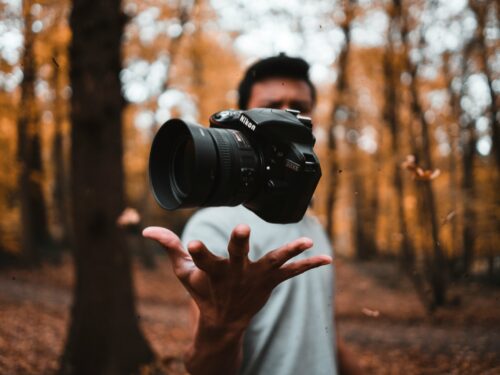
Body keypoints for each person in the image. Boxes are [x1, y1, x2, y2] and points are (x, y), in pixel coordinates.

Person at [143, 54, 359, 375]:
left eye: (299, 107)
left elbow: (324, 332)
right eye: (274, 106)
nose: (288, 117)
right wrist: (224, 325)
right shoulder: (216, 226)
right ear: (244, 115)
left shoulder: (311, 223)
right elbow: (203, 368)